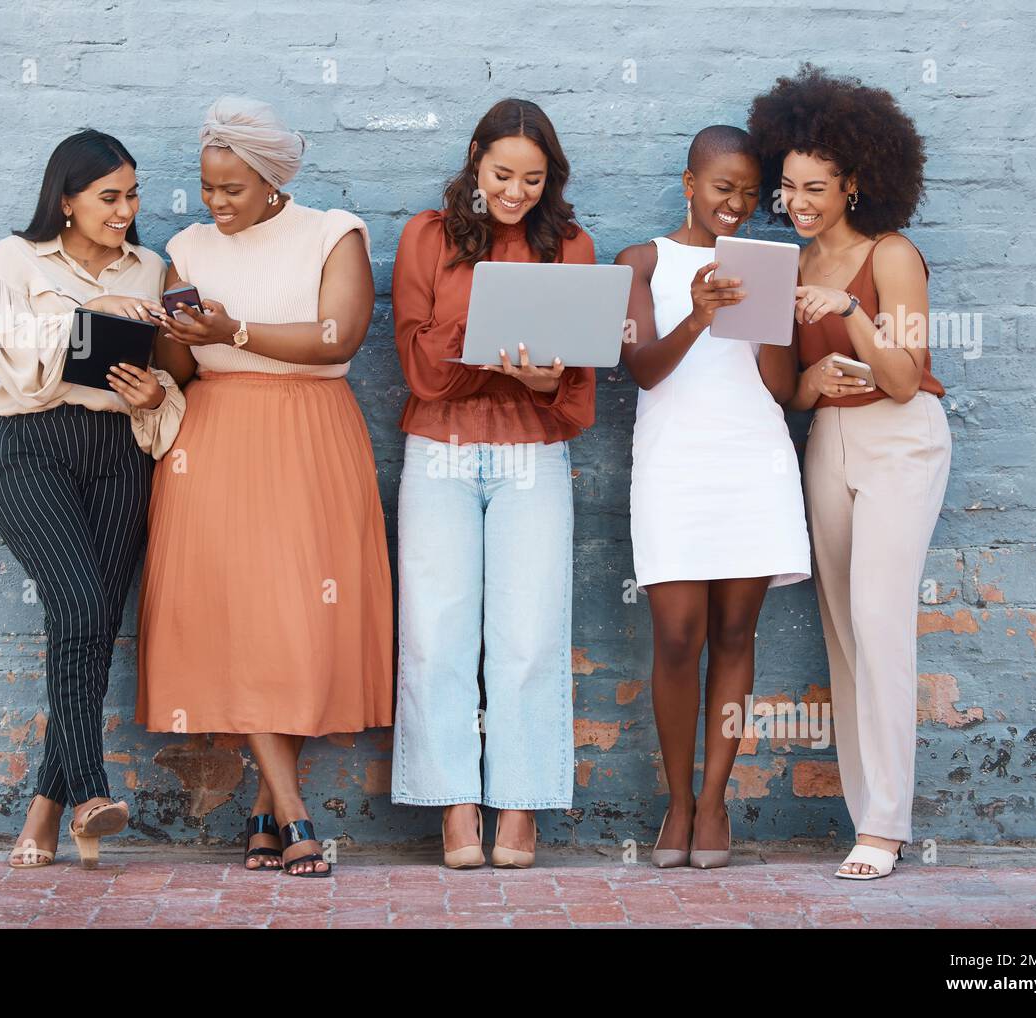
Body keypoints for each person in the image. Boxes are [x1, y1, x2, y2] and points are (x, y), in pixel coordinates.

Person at [136, 97, 392, 878]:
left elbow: (337, 337)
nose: (215, 203)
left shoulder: (332, 232)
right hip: (213, 440)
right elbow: (184, 368)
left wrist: (231, 330)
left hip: (311, 434)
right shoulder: (186, 247)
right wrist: (167, 341)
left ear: (273, 182)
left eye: (232, 190)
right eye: (208, 187)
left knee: (300, 625)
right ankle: (292, 812)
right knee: (242, 622)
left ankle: (261, 809)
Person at [749, 65, 951, 880]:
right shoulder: (786, 270)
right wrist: (811, 383)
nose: (797, 203)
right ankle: (866, 818)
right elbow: (789, 392)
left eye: (817, 188)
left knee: (878, 621)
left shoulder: (891, 255)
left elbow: (904, 377)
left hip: (900, 440)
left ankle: (889, 827)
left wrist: (852, 313)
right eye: (788, 187)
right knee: (842, 634)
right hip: (827, 442)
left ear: (856, 184)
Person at [390, 98, 596, 869]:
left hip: (532, 452)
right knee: (437, 632)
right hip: (439, 449)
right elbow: (416, 363)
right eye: (502, 174)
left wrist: (544, 379)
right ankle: (455, 807)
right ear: (476, 159)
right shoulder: (428, 237)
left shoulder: (570, 245)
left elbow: (576, 389)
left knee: (530, 633)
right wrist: (478, 338)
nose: (515, 193)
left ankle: (519, 807)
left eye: (533, 180)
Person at [0, 129, 185, 870]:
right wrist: (97, 318)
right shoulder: (15, 259)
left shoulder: (152, 267)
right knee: (83, 608)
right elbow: (18, 362)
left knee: (91, 630)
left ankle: (49, 812)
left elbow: (167, 381)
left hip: (120, 452)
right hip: (33, 446)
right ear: (65, 201)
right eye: (109, 197)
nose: (126, 209)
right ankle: (93, 790)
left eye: (132, 194)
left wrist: (156, 391)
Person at [615, 126, 810, 870]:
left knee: (734, 635)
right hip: (674, 466)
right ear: (690, 182)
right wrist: (698, 314)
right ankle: (675, 800)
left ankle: (715, 803)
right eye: (724, 187)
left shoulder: (764, 266)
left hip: (752, 461)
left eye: (751, 194)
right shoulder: (642, 261)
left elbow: (784, 391)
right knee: (675, 635)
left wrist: (765, 321)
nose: (738, 203)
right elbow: (642, 369)